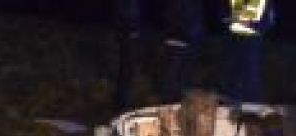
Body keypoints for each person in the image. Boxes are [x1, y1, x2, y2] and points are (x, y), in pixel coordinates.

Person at [114, 0, 274, 112]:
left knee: (247, 76)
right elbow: (221, 14)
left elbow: (266, 20)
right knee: (177, 80)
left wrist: (246, 23)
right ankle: (228, 103)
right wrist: (229, 20)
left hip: (249, 42)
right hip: (225, 40)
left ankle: (248, 105)